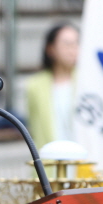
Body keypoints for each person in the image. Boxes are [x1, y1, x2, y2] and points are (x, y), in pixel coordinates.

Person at [26, 22, 80, 150]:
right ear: (51, 48)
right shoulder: (35, 85)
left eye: (76, 43)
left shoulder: (87, 81)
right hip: (50, 160)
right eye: (67, 44)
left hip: (83, 162)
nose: (73, 49)